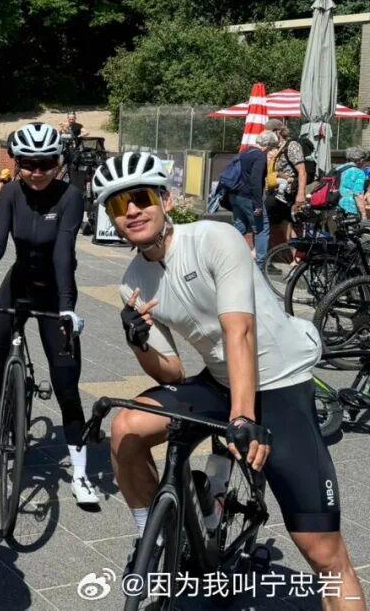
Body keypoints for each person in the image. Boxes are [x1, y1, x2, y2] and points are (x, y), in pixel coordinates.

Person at [93, 152, 364, 610]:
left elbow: (240, 330)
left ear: (165, 200)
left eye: (140, 198)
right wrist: (137, 340)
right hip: (219, 381)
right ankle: (152, 541)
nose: (132, 211)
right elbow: (172, 373)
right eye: (119, 205)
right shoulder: (133, 281)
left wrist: (242, 417)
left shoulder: (214, 239)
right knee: (126, 429)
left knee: (323, 552)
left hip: (278, 382)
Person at [0, 123, 97, 506]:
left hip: (54, 291)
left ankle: (81, 474)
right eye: (28, 164)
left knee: (66, 382)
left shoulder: (71, 197)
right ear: (17, 162)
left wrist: (67, 307)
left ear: (59, 162)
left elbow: (64, 252)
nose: (37, 172)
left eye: (46, 163)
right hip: (17, 283)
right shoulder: (10, 193)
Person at [230, 134, 269, 269]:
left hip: (236, 196)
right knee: (261, 228)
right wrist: (258, 204)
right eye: (272, 148)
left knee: (239, 228)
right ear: (267, 145)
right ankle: (260, 266)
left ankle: (227, 258)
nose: (272, 151)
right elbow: (255, 180)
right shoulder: (260, 155)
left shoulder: (245, 152)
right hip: (249, 197)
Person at [266, 118, 307, 244]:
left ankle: (293, 252)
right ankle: (294, 252)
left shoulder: (292, 146)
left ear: (278, 132)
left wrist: (301, 194)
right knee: (284, 224)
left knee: (283, 222)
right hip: (276, 191)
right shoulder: (274, 147)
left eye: (268, 132)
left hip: (287, 192)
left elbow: (302, 171)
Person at [336, 147, 369, 219]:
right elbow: (358, 194)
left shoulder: (338, 169)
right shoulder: (359, 173)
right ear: (361, 160)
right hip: (350, 208)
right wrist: (363, 214)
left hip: (335, 207)